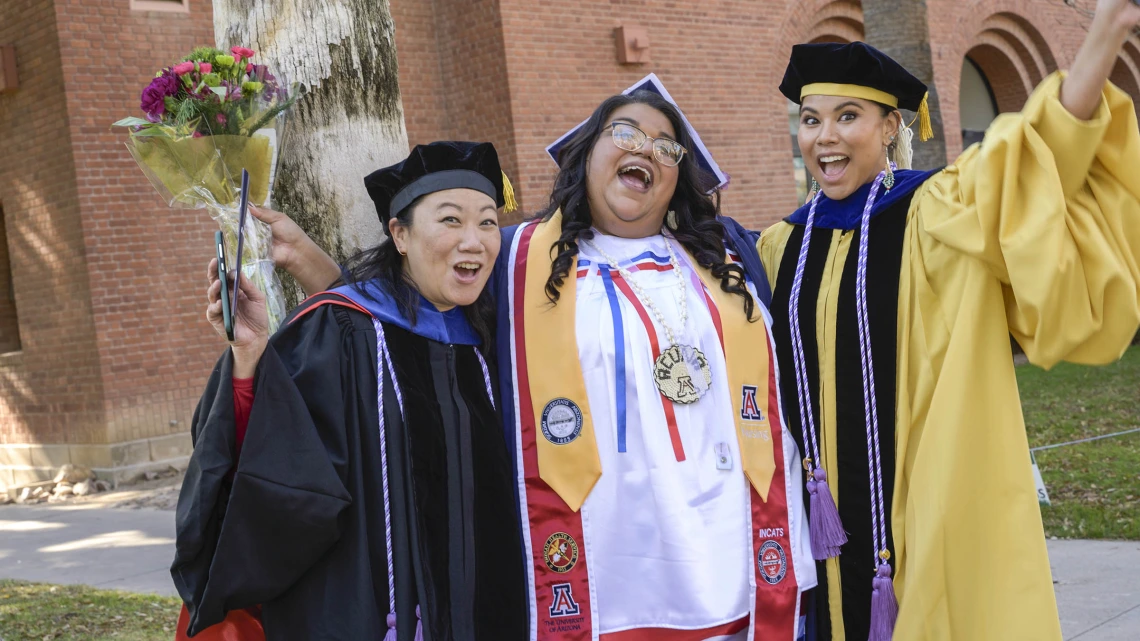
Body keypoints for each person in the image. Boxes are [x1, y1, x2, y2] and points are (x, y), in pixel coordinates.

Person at [277, 81, 817, 640]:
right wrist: (310, 265)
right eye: (625, 132)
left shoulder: (727, 258)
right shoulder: (519, 260)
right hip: (597, 558)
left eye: (666, 146)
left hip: (735, 545)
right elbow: (413, 316)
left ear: (679, 176)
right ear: (587, 154)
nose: (646, 149)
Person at [758, 2, 1140, 640]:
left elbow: (1028, 165)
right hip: (809, 528)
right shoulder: (780, 246)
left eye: (847, 117)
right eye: (810, 120)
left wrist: (1100, 44)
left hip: (919, 499)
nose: (824, 138)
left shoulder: (933, 213)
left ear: (889, 128)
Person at [172, 141, 527, 641]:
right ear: (399, 234)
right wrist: (251, 357)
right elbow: (277, 459)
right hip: (379, 615)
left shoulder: (500, 337)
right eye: (450, 220)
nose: (474, 240)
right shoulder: (345, 334)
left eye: (488, 222)